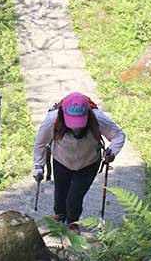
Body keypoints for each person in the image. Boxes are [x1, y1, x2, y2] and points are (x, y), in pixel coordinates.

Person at [32, 91, 126, 230]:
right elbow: (41, 142)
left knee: (74, 199)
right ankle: (59, 219)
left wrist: (111, 152)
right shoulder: (53, 118)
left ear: (87, 113)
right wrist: (39, 166)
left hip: (88, 163)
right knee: (60, 195)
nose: (76, 127)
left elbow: (118, 135)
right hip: (61, 160)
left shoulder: (97, 117)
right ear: (63, 113)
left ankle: (73, 224)